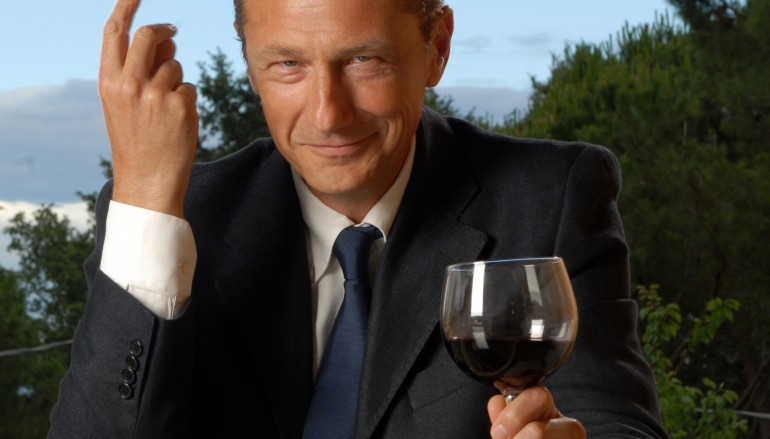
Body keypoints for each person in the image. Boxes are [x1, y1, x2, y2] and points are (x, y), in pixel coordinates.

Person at [48, 0, 668, 437]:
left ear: (437, 48)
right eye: (287, 64)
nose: (328, 114)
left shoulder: (551, 197)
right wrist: (145, 196)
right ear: (251, 67)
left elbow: (615, 422)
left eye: (364, 60)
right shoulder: (173, 216)